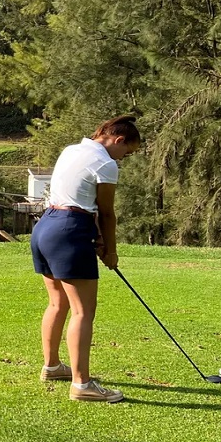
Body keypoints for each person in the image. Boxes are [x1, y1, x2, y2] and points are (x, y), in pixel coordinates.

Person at [30, 115, 142, 403]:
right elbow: (106, 212)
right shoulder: (106, 163)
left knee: (58, 302)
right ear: (118, 140)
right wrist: (112, 251)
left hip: (46, 227)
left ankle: (52, 366)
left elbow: (78, 198)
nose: (123, 159)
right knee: (82, 311)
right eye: (127, 152)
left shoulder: (71, 150)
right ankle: (82, 385)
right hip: (69, 230)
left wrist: (98, 239)